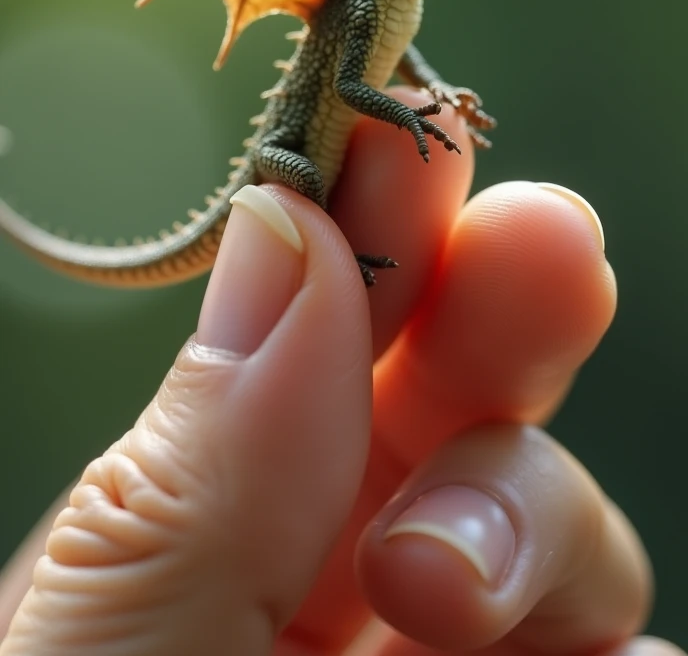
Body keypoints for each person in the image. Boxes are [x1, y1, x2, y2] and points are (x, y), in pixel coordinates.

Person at [0, 89, 682, 656]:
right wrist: (408, 118)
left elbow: (392, 73)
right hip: (281, 165)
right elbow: (354, 88)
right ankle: (331, 256)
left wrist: (425, 102)